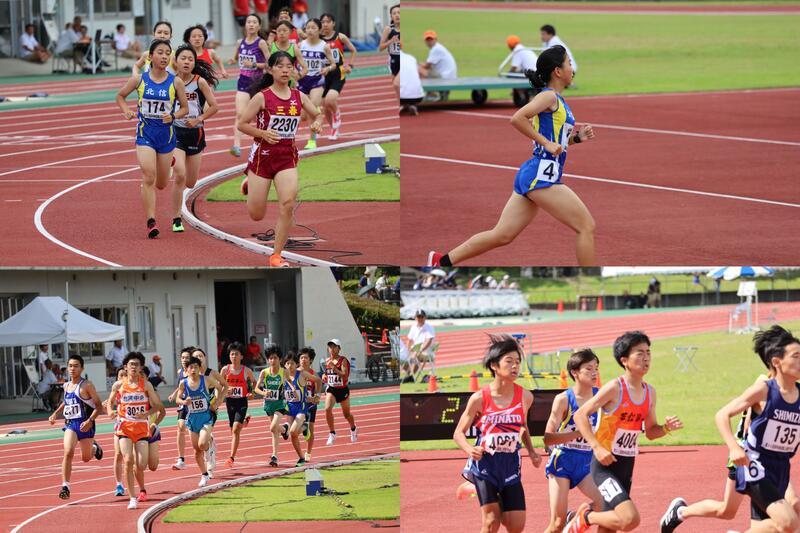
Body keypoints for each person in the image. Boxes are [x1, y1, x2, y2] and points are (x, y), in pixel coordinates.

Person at [427, 46, 596, 268]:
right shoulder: (548, 96)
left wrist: (576, 139)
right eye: (569, 64)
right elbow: (517, 118)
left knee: (502, 235)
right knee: (586, 226)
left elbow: (555, 143)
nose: (572, 68)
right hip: (541, 175)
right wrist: (546, 143)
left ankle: (440, 261)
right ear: (557, 71)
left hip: (535, 173)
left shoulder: (558, 101)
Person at [659, 325, 800, 533]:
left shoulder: (796, 393)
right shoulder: (764, 388)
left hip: (779, 466)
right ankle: (682, 512)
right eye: (796, 356)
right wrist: (734, 447)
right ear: (776, 360)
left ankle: (680, 512)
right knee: (789, 520)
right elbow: (724, 415)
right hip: (752, 462)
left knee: (734, 513)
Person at [563, 331, 683, 532]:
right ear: (624, 360)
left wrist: (665, 428)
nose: (646, 358)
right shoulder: (615, 388)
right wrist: (596, 447)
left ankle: (587, 518)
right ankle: (585, 517)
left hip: (626, 466)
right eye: (639, 353)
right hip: (604, 466)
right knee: (629, 519)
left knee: (610, 528)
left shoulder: (650, 392)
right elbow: (580, 415)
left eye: (648, 352)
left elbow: (651, 432)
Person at [237, 50, 323, 268]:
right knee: (256, 215)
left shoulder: (299, 96)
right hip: (263, 157)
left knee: (287, 203)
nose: (285, 70)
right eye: (280, 66)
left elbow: (317, 114)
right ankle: (250, 182)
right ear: (271, 69)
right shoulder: (262, 97)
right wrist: (263, 133)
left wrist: (317, 123)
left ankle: (276, 255)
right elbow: (242, 124)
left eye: (289, 66)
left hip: (286, 156)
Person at [454, 334, 542, 533]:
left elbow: (523, 426)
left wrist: (532, 451)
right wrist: (469, 449)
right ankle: (478, 485)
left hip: (510, 464)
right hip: (485, 464)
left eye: (517, 362)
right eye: (509, 361)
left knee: (516, 525)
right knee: (491, 522)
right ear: (494, 365)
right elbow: (458, 433)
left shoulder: (525, 397)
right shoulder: (479, 398)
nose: (515, 366)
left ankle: (476, 489)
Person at [116, 39, 188, 239]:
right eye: (160, 53)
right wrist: (126, 110)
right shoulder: (139, 80)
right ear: (151, 57)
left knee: (162, 184)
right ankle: (151, 221)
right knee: (148, 176)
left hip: (166, 136)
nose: (164, 57)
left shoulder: (175, 82)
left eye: (167, 53)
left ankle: (169, 161)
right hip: (145, 133)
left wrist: (173, 116)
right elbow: (120, 96)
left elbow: (184, 108)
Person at [542, 350, 604, 532]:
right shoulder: (563, 400)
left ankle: (578, 517)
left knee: (604, 504)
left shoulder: (601, 398)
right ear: (575, 372)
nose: (594, 373)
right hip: (563, 459)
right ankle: (567, 519)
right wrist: (580, 431)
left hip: (587, 461)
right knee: (557, 523)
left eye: (596, 368)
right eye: (589, 369)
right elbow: (548, 438)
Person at [170, 44, 219, 233]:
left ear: (194, 63)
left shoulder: (200, 82)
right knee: (179, 174)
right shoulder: (170, 81)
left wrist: (198, 119)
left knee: (190, 182)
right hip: (176, 131)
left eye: (190, 59)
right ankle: (176, 218)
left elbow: (214, 106)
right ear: (176, 61)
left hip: (196, 133)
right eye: (183, 58)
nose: (186, 62)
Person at [106, 351, 165, 510]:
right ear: (125, 367)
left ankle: (137, 482)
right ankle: (132, 497)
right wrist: (110, 411)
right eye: (131, 364)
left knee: (141, 464)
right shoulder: (118, 385)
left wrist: (146, 413)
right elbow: (109, 402)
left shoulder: (146, 385)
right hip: (124, 428)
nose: (134, 367)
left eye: (137, 365)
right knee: (127, 460)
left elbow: (158, 406)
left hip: (141, 429)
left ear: (141, 367)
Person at [48, 355, 104, 500]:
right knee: (68, 452)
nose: (73, 369)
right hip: (71, 424)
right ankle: (65, 486)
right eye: (70, 366)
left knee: (86, 458)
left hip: (86, 424)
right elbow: (66, 402)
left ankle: (94, 448)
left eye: (76, 366)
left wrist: (90, 421)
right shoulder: (66, 386)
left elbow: (99, 406)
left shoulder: (87, 385)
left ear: (82, 368)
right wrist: (55, 413)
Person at [175, 355, 225, 487]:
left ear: (199, 369)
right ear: (187, 369)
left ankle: (209, 449)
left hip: (206, 417)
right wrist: (184, 402)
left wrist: (217, 402)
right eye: (191, 367)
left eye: (196, 367)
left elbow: (221, 388)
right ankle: (204, 474)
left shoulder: (206, 379)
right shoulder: (183, 383)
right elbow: (177, 399)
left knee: (202, 444)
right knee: (197, 451)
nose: (193, 370)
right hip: (192, 419)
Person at [230, 13, 269, 158]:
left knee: (260, 116)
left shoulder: (261, 43)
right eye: (249, 22)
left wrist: (253, 64)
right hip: (243, 81)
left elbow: (270, 64)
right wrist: (233, 60)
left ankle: (261, 142)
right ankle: (236, 145)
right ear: (245, 25)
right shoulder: (240, 42)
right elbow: (236, 58)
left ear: (259, 26)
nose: (251, 24)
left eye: (254, 22)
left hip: (258, 83)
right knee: (240, 113)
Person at [295, 18, 334, 150]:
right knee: (303, 116)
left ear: (319, 30)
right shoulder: (300, 45)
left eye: (313, 28)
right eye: (308, 28)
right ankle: (317, 113)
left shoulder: (324, 46)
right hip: (302, 80)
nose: (310, 30)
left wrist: (327, 69)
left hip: (317, 80)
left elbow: (333, 64)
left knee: (311, 109)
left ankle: (312, 140)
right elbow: (294, 61)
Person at [281, 351, 323, 466]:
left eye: (292, 363)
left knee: (293, 431)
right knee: (292, 434)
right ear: (284, 365)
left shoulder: (302, 374)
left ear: (296, 364)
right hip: (290, 407)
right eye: (287, 363)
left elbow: (318, 380)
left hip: (301, 407)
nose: (290, 366)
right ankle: (301, 458)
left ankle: (304, 427)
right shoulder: (283, 375)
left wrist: (317, 395)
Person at [320, 12, 357, 140]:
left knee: (330, 100)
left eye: (328, 22)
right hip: (324, 74)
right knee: (325, 106)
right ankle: (334, 129)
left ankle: (337, 114)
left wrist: (350, 65)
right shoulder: (318, 39)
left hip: (338, 73)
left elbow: (353, 50)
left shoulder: (340, 37)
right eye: (323, 22)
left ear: (333, 23)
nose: (325, 24)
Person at [192, 347, 228, 477]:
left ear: (205, 358)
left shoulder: (212, 373)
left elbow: (225, 385)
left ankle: (209, 462)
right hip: (195, 413)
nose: (199, 358)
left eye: (200, 356)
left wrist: (218, 401)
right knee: (199, 444)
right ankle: (210, 443)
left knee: (203, 442)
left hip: (210, 411)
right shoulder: (191, 374)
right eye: (196, 357)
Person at [220, 342, 256, 467]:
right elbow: (219, 384)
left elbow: (254, 382)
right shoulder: (225, 370)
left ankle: (231, 457)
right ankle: (244, 421)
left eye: (236, 354)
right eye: (232, 354)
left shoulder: (246, 370)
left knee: (235, 429)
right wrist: (225, 390)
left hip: (241, 401)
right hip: (230, 402)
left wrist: (252, 392)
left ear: (241, 356)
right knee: (233, 429)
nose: (234, 356)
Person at [254, 346, 288, 466]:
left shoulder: (284, 372)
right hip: (269, 404)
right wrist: (264, 393)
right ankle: (284, 430)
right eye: (270, 358)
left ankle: (274, 454)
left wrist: (292, 390)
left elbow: (291, 383)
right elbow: (256, 389)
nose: (273, 360)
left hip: (280, 404)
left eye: (275, 358)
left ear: (280, 359)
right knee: (275, 430)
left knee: (273, 427)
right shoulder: (264, 372)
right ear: (268, 360)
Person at [323, 339, 358, 445]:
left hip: (342, 390)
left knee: (347, 415)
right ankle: (332, 433)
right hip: (332, 389)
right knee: (327, 409)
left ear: (339, 348)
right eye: (330, 347)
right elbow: (327, 373)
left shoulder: (343, 360)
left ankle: (353, 428)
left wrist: (334, 368)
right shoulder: (327, 361)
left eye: (334, 347)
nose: (332, 349)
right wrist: (324, 376)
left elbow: (345, 376)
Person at [169, 347, 194, 470]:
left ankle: (208, 445)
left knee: (193, 432)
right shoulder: (180, 372)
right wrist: (174, 394)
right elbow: (181, 387)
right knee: (180, 427)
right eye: (182, 357)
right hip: (183, 404)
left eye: (187, 358)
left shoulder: (193, 372)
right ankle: (181, 459)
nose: (184, 360)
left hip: (193, 404)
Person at [418, 29, 456, 102]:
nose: (429, 42)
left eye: (431, 39)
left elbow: (427, 66)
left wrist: (418, 64)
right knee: (424, 70)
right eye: (428, 40)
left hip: (445, 77)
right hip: (448, 76)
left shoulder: (436, 49)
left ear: (435, 39)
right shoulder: (438, 47)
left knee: (420, 70)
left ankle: (431, 94)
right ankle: (434, 93)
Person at [299, 347, 320, 461]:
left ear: (310, 360)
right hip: (298, 405)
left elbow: (318, 388)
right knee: (297, 428)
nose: (303, 360)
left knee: (311, 429)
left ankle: (308, 452)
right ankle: (304, 427)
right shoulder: (295, 372)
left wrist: (317, 397)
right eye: (301, 357)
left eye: (306, 358)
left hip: (310, 405)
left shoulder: (313, 374)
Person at [404, 309, 435, 380]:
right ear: (415, 318)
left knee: (415, 355)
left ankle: (411, 376)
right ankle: (410, 376)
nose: (420, 318)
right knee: (403, 357)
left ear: (425, 317)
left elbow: (428, 341)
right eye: (418, 317)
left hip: (426, 352)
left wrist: (421, 350)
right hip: (415, 350)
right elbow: (409, 340)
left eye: (421, 317)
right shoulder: (413, 327)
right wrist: (408, 350)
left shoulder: (429, 327)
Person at [379, 4, 401, 99]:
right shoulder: (388, 29)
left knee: (397, 83)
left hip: (404, 60)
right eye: (394, 13)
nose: (397, 15)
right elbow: (381, 48)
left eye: (399, 13)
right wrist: (391, 41)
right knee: (396, 86)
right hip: (393, 60)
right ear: (391, 16)